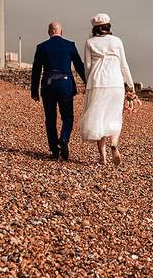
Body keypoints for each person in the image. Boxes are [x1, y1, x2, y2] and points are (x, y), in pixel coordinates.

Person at [79, 13, 134, 165]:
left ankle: (102, 158)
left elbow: (88, 66)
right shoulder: (117, 41)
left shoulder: (90, 42)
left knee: (99, 118)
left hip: (97, 82)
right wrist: (130, 85)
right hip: (116, 82)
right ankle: (114, 144)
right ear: (108, 26)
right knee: (115, 115)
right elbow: (124, 65)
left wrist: (88, 82)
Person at [30, 21, 86, 160]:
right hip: (64, 84)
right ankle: (64, 138)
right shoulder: (70, 45)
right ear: (61, 32)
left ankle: (54, 150)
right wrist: (88, 82)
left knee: (50, 118)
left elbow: (36, 71)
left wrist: (34, 92)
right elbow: (79, 66)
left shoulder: (41, 47)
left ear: (49, 32)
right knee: (67, 116)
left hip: (48, 85)